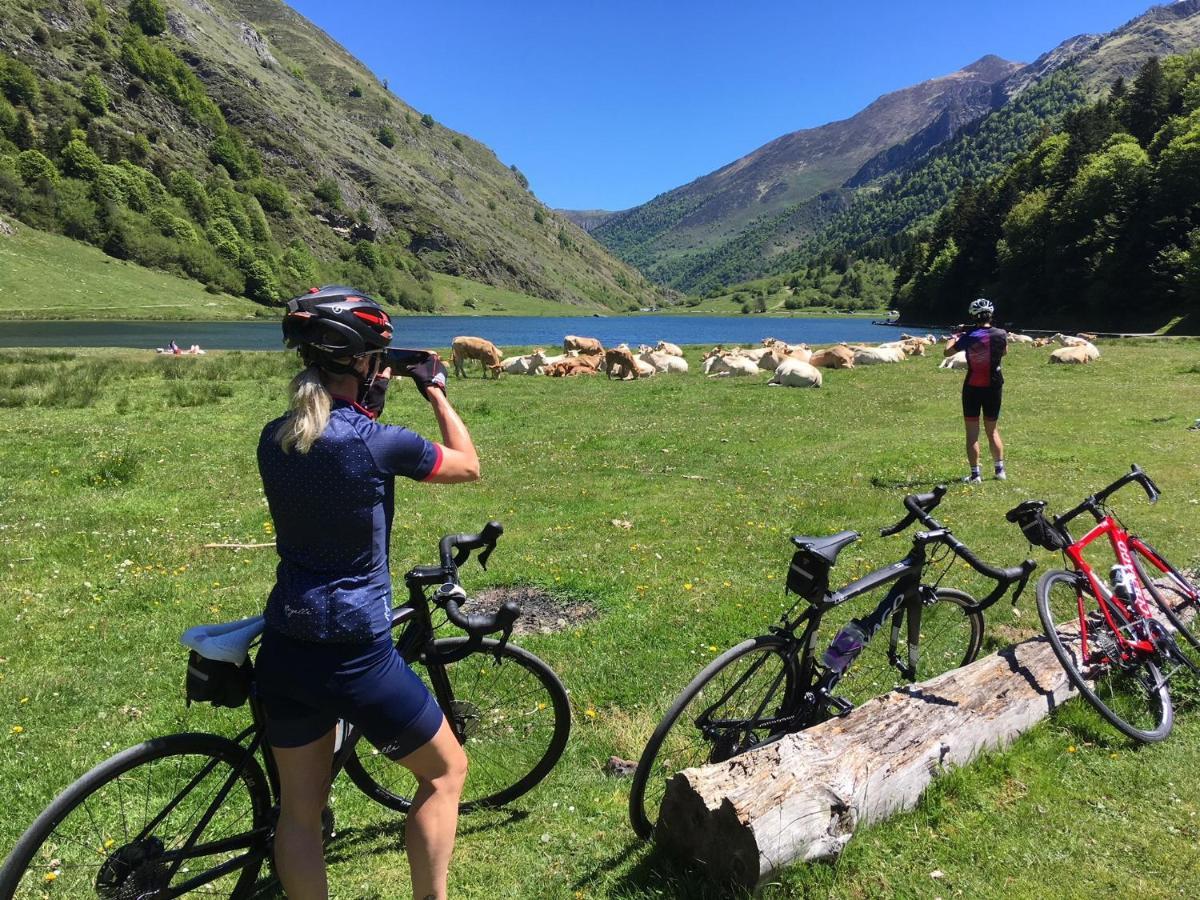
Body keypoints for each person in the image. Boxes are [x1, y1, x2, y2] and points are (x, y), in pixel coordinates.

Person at [255, 285, 479, 900]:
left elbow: (328, 437)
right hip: (355, 651)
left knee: (299, 815)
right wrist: (434, 388)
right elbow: (467, 463)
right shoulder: (378, 441)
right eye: (376, 357)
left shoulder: (276, 438)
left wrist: (369, 397)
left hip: (285, 644)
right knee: (445, 773)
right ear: (359, 361)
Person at [944, 298, 1007, 483]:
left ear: (973, 316)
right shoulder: (1001, 333)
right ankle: (999, 470)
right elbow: (1004, 352)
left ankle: (975, 475)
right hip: (995, 385)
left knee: (972, 433)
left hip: (973, 386)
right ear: (991, 315)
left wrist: (953, 338)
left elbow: (947, 353)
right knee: (992, 429)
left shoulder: (970, 336)